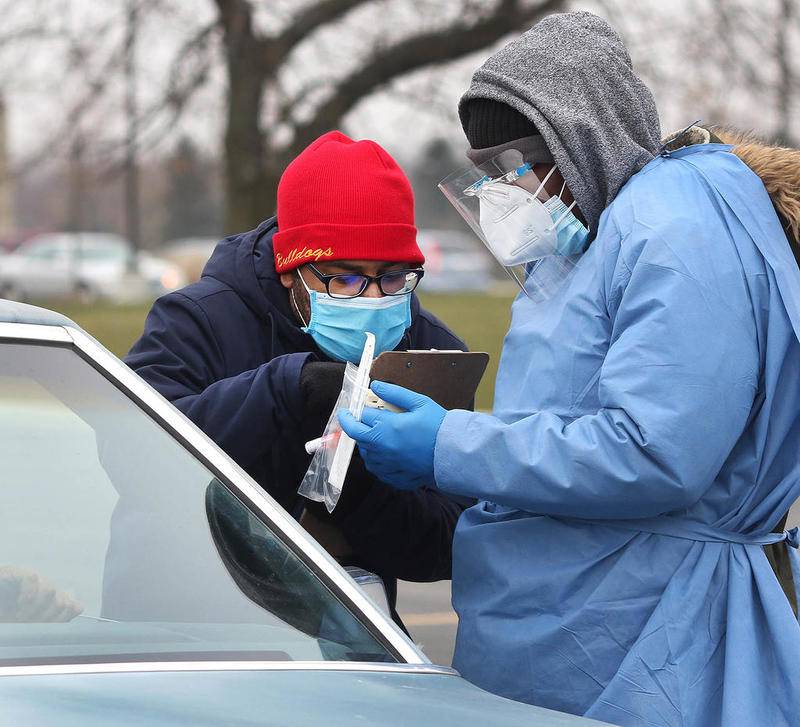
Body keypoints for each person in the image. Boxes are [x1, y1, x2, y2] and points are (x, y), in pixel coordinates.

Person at [339, 12, 800, 726]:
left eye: (514, 165)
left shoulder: (676, 228)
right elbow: (571, 424)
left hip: (655, 634)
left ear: (582, 140)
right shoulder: (601, 239)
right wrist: (449, 449)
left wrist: (451, 444)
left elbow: (652, 452)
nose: (502, 190)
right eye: (485, 169)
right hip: (601, 627)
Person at [126, 131, 469, 624]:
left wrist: (356, 476)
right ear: (291, 271)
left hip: (340, 639)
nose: (373, 299)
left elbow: (444, 545)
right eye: (344, 278)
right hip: (181, 626)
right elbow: (138, 456)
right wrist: (288, 390)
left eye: (393, 277)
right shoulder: (197, 319)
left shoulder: (428, 350)